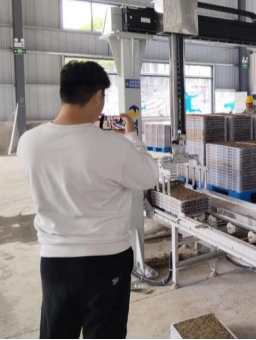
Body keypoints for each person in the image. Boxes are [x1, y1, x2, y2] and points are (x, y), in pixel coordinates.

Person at [18, 61, 159, 340]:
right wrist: (131, 136)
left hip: (55, 261)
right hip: (106, 261)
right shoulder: (114, 146)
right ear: (97, 97)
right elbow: (149, 176)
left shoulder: (29, 143)